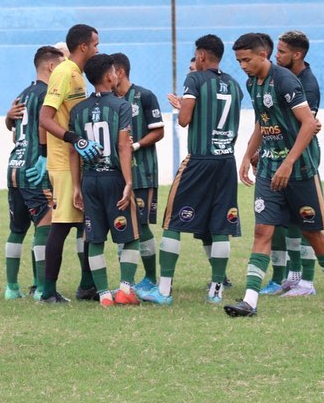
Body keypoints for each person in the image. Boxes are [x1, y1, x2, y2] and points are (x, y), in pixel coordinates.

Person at [225, 32, 324, 318]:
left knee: (311, 232)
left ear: (262, 55)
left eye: (246, 60)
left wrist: (289, 162)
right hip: (269, 168)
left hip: (300, 169)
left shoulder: (286, 81)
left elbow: (309, 124)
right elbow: (261, 122)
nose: (242, 65)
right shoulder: (252, 83)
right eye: (239, 61)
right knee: (262, 231)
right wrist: (246, 155)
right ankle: (250, 301)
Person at [140, 34, 243, 306]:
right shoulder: (234, 85)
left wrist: (184, 107)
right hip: (226, 161)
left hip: (200, 159)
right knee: (220, 225)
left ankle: (163, 291)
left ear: (200, 56)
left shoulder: (194, 79)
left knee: (173, 221)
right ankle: (216, 291)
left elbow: (185, 120)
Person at [37, 24, 103, 304]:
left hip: (77, 159)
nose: (98, 49)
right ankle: (47, 291)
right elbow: (46, 117)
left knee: (86, 224)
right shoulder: (64, 72)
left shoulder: (77, 74)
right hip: (64, 162)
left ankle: (87, 286)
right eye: (96, 44)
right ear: (84, 46)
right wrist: (74, 138)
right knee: (62, 225)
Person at [69, 54, 142, 307]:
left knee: (94, 238)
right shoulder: (121, 106)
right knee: (131, 236)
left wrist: (76, 186)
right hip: (114, 179)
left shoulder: (78, 110)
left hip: (89, 180)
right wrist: (129, 183)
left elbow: (72, 150)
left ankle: (103, 295)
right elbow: (123, 145)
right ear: (110, 76)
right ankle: (125, 289)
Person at [2, 45, 64, 300]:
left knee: (17, 230)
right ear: (51, 66)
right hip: (33, 168)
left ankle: (11, 288)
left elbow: (14, 128)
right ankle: (41, 288)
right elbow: (42, 125)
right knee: (45, 224)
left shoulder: (24, 94)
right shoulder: (48, 93)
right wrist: (44, 157)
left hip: (14, 165)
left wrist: (7, 118)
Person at [273, 30, 322, 298]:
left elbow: (307, 127)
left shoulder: (308, 85)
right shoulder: (283, 78)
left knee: (306, 217)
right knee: (290, 219)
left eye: (281, 51)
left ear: (297, 54)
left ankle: (309, 282)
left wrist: (289, 160)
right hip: (280, 154)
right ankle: (295, 276)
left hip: (300, 159)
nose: (276, 55)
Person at [111, 52, 165, 292]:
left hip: (143, 173)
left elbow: (159, 131)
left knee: (141, 226)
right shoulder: (108, 99)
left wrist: (135, 145)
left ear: (120, 72)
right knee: (122, 224)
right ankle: (127, 281)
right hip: (116, 174)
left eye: (110, 72)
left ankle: (151, 278)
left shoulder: (145, 96)